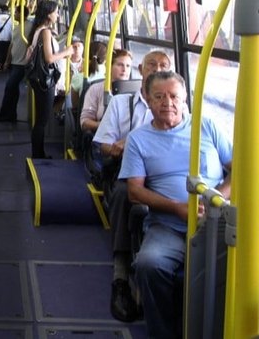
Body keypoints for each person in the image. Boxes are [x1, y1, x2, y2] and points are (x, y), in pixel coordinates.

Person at [119, 71, 232, 339]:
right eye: (159, 97)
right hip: (168, 224)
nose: (167, 103)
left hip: (215, 222)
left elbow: (238, 169)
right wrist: (177, 208)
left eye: (174, 97)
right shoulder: (138, 139)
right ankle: (163, 333)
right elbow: (135, 191)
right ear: (147, 100)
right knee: (149, 264)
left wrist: (219, 199)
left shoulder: (207, 127)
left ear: (185, 101)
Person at [92, 50, 172, 323]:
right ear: (141, 69)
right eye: (152, 65)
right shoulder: (121, 104)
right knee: (125, 194)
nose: (157, 69)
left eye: (164, 66)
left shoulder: (176, 108)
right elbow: (102, 144)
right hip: (129, 174)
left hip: (164, 175)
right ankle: (121, 273)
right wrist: (120, 147)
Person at [26, 0, 75, 159]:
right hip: (44, 81)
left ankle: (38, 152)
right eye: (56, 12)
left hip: (38, 80)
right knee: (41, 120)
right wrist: (66, 52)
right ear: (48, 14)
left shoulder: (39, 30)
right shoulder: (45, 32)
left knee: (41, 118)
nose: (57, 15)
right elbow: (49, 58)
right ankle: (38, 154)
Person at [0, 5, 35, 123]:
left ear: (22, 14)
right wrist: (7, 60)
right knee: (14, 89)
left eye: (16, 13)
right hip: (14, 61)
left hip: (22, 63)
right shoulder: (16, 28)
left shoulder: (30, 27)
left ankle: (4, 113)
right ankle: (12, 114)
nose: (14, 15)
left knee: (9, 87)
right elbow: (12, 45)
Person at [79, 49, 132, 132]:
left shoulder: (135, 91)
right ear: (109, 66)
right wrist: (105, 126)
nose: (125, 69)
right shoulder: (95, 89)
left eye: (128, 66)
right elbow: (85, 122)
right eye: (120, 65)